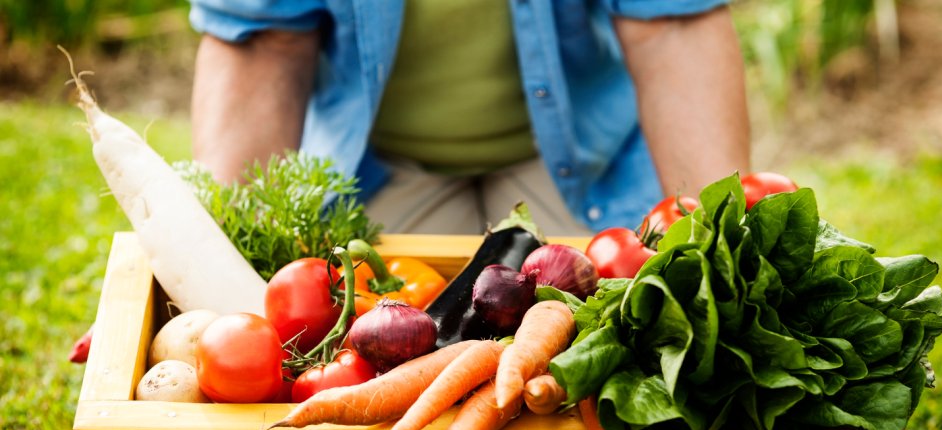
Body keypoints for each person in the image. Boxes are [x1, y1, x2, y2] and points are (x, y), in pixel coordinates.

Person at [188, 1, 750, 236]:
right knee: (373, 344)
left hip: (584, 157)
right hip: (377, 164)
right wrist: (219, 258)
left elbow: (669, 27)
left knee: (626, 340)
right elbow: (266, 42)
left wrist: (724, 245)